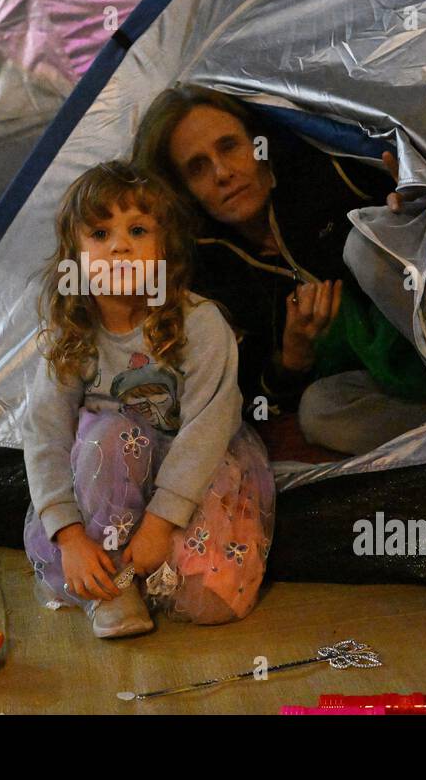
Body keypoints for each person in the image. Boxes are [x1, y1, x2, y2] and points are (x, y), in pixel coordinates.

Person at [21, 163, 275, 638]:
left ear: (166, 250)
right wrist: (70, 537)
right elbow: (44, 434)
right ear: (74, 256)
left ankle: (158, 566)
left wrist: (161, 524)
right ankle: (112, 587)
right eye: (99, 233)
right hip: (108, 484)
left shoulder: (201, 324)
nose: (119, 246)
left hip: (190, 475)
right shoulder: (69, 335)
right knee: (109, 434)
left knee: (211, 604)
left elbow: (207, 431)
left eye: (137, 230)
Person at [133, 84, 426, 456]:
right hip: (384, 385)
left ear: (259, 145)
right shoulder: (210, 283)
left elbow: (419, 199)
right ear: (183, 193)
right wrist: (291, 360)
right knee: (319, 412)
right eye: (198, 168)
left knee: (365, 247)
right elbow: (247, 402)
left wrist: (415, 206)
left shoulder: (329, 171)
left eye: (230, 147)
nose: (223, 173)